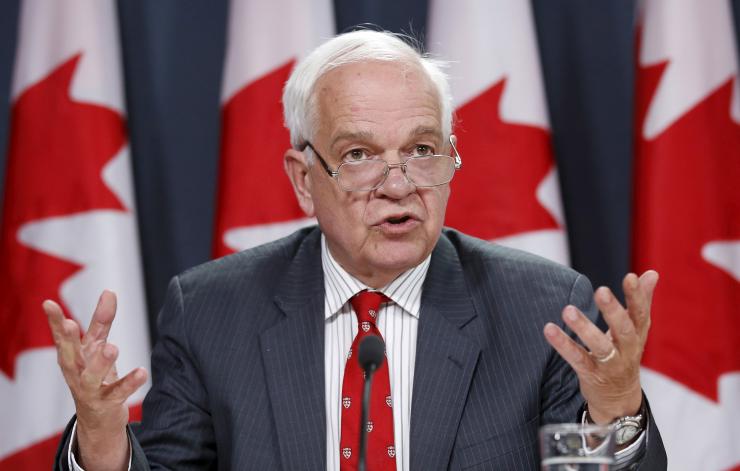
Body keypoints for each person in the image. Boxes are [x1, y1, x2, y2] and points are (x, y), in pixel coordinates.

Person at [45, 30, 666, 470]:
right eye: (360, 155)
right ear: (302, 180)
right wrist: (103, 447)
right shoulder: (213, 312)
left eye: (422, 151)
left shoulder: (545, 308)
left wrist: (613, 416)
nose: (398, 186)